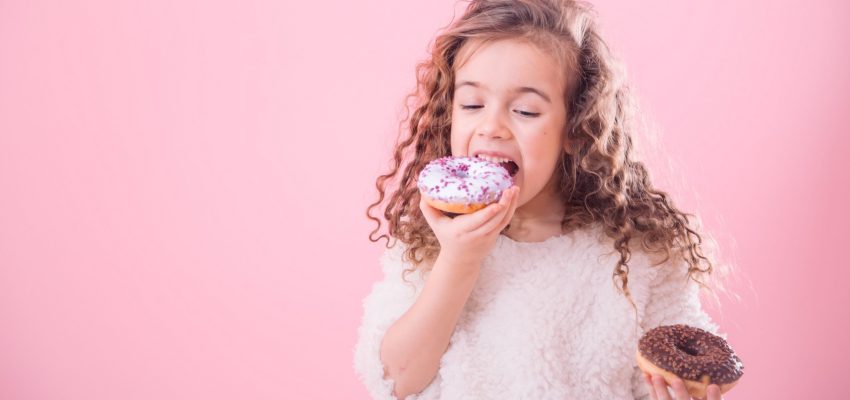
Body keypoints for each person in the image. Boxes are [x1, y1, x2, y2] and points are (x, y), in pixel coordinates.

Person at [354, 1, 733, 399]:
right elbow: (394, 380)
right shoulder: (428, 243)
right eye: (471, 105)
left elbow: (668, 369)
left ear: (576, 128)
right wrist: (458, 260)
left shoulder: (638, 254)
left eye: (524, 110)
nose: (492, 127)